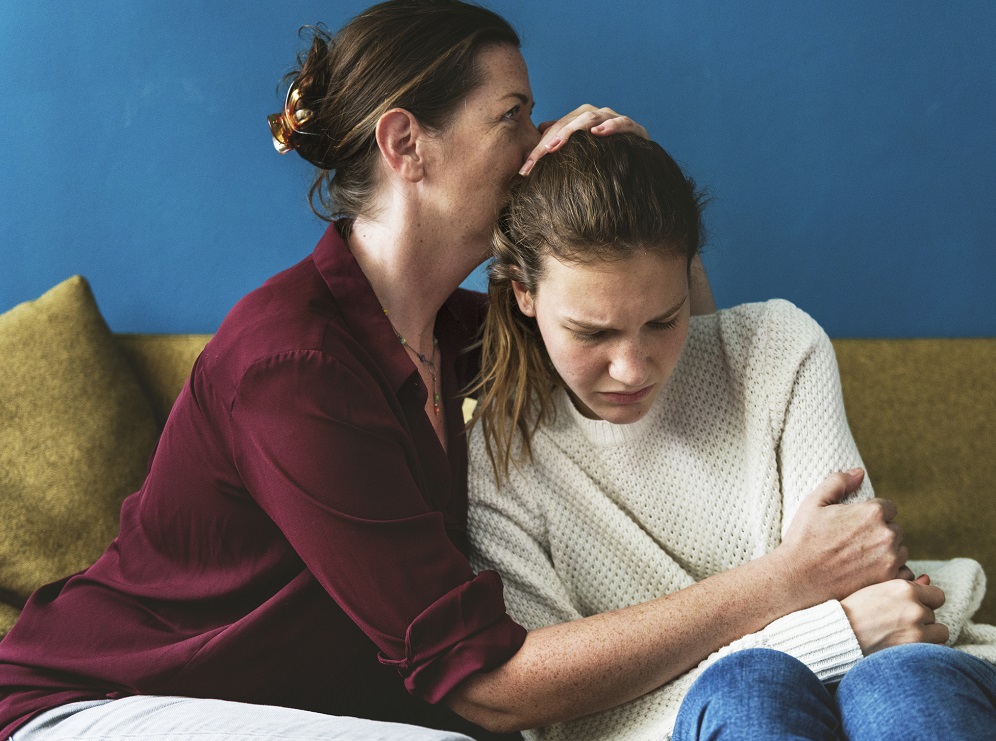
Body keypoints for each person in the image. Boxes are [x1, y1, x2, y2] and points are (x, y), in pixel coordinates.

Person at [0, 2, 915, 740]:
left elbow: (702, 386)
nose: (541, 137)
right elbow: (487, 688)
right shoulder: (290, 366)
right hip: (97, 703)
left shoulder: (466, 333)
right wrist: (789, 585)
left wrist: (636, 199)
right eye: (513, 115)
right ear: (407, 145)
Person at [466, 131, 996, 740]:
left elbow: (873, 601)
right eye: (591, 334)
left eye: (663, 321)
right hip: (680, 726)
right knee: (747, 691)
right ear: (525, 295)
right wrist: (832, 629)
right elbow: (566, 713)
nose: (633, 369)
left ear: (690, 271)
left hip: (902, 673)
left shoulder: (775, 350)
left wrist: (846, 621)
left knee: (898, 682)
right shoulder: (498, 460)